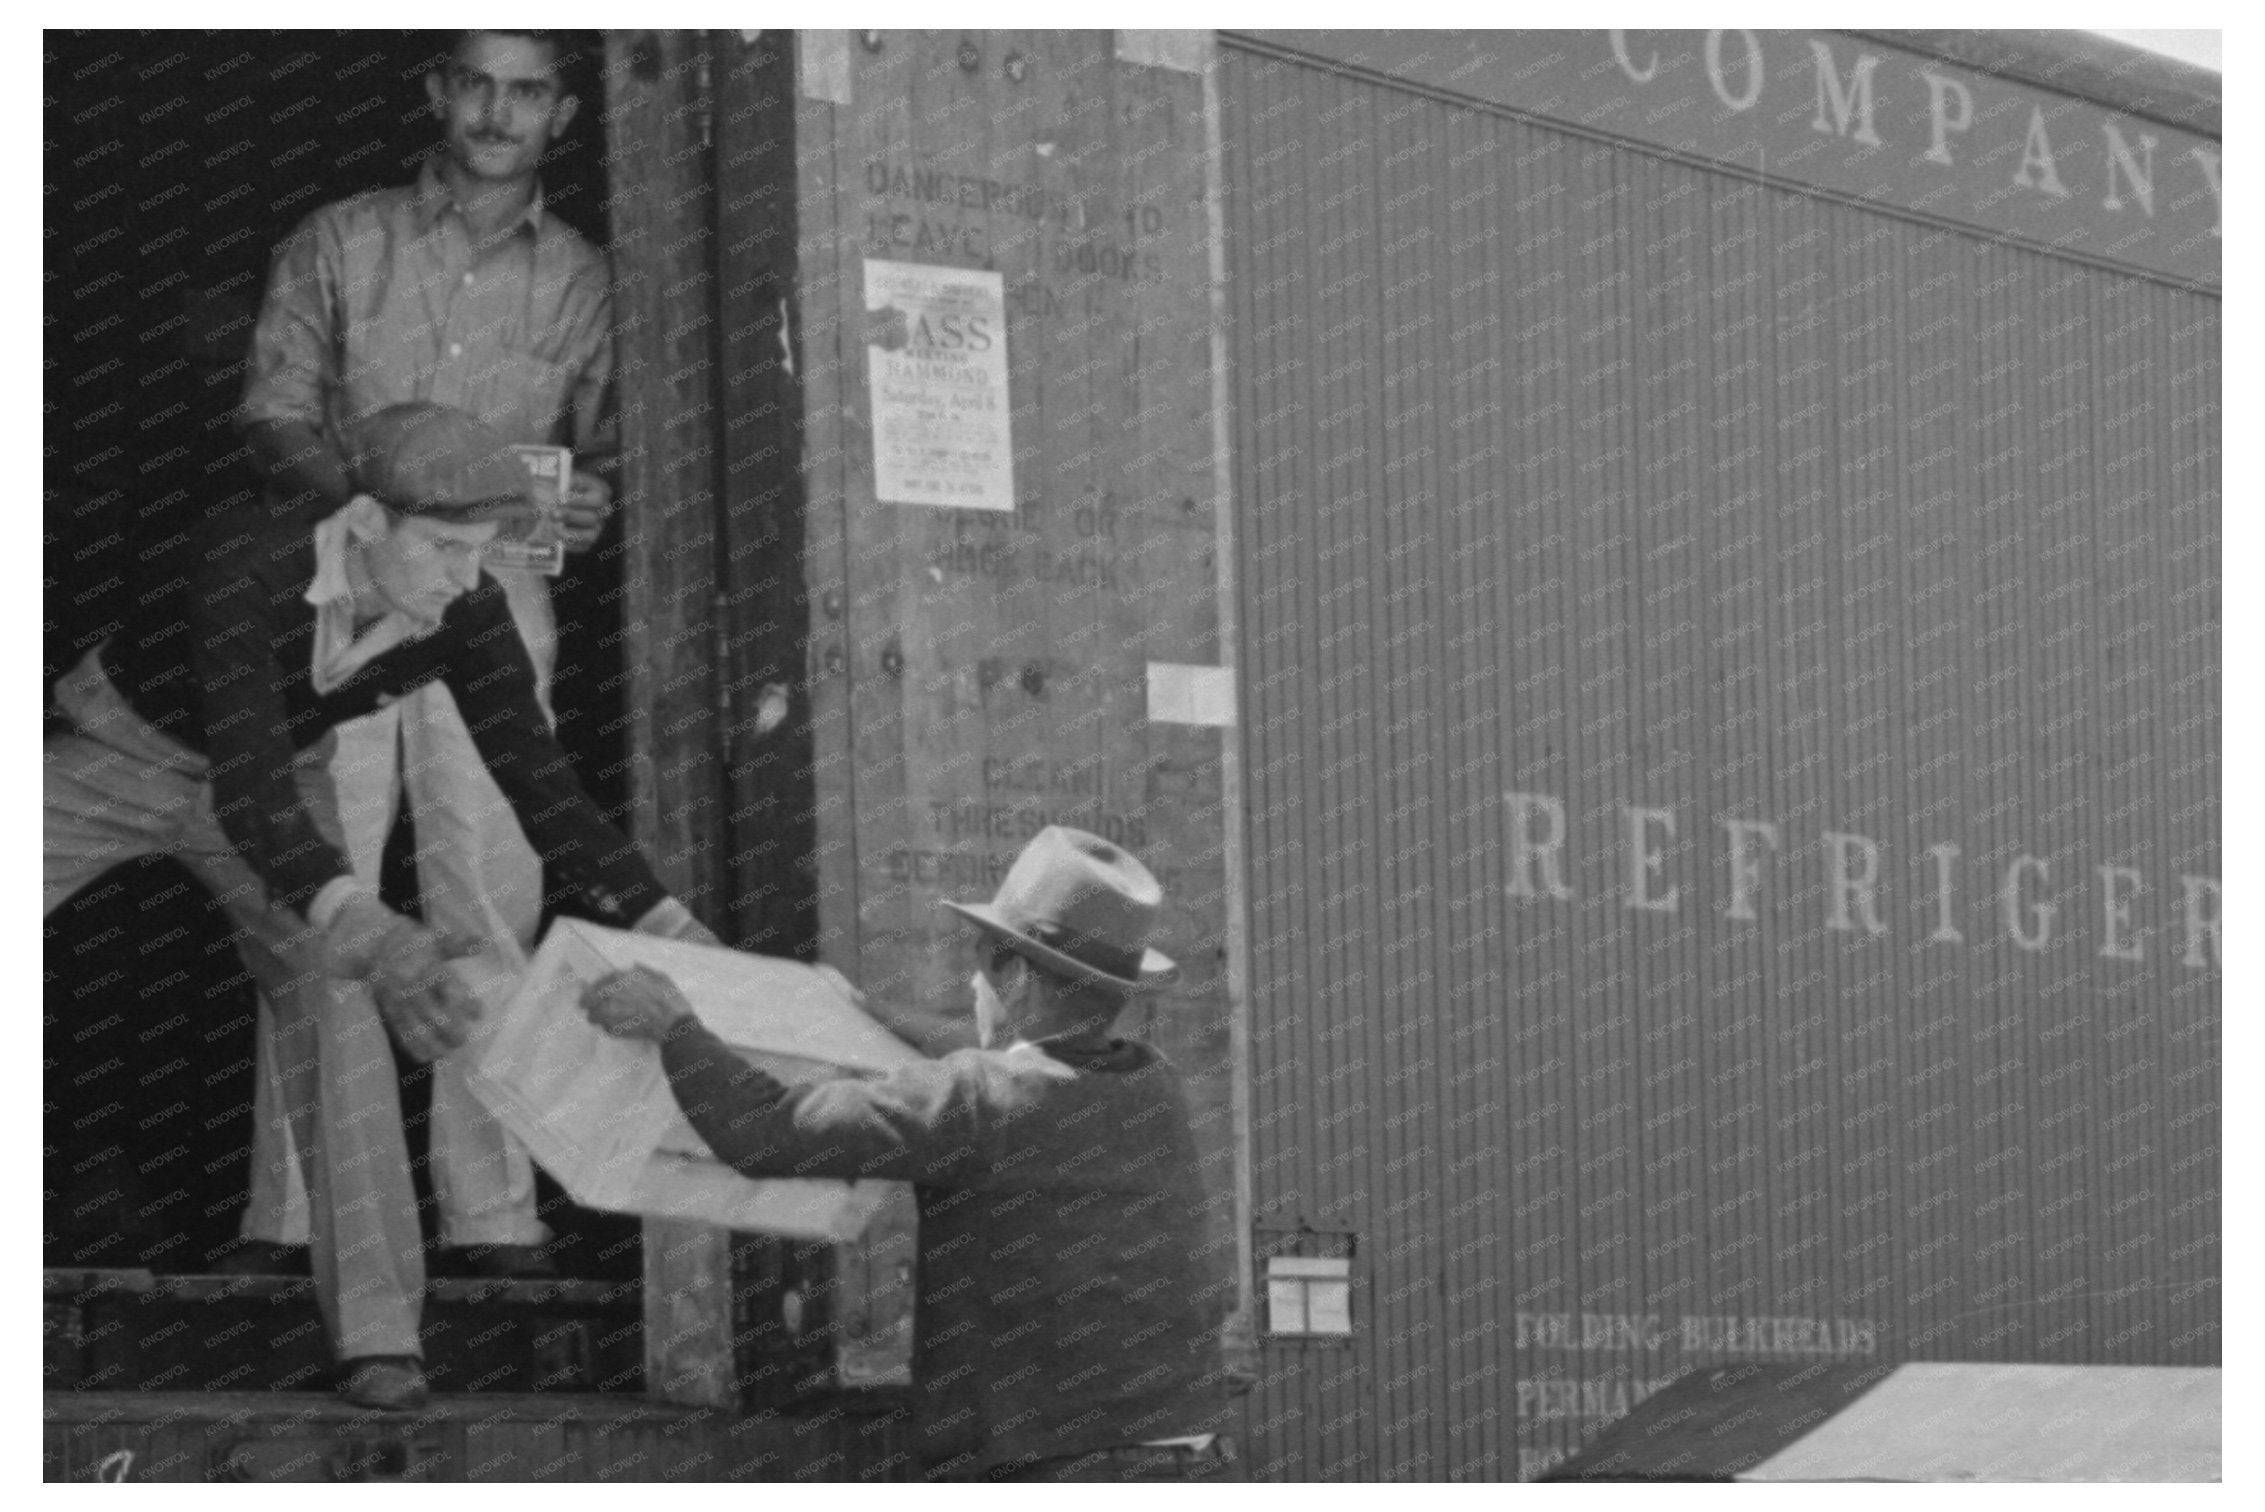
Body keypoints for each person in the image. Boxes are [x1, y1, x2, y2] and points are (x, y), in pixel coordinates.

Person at [44, 403, 714, 1411]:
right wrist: (368, 922)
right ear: (363, 523)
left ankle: (379, 1338)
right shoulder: (247, 559)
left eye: (479, 552)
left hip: (277, 796)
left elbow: (544, 788)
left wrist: (675, 929)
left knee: (343, 1003)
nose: (462, 574)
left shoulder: (467, 609)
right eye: (444, 546)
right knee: (356, 943)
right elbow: (248, 780)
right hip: (126, 756)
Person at [231, 28, 615, 1276]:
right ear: (438, 92)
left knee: (489, 899)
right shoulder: (342, 238)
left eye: (529, 90)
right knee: (321, 896)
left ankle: (491, 1212)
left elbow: (618, 448)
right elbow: (272, 409)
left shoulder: (587, 280)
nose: (500, 113)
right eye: (478, 84)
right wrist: (367, 502)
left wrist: (601, 496)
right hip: (339, 586)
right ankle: (295, 1220)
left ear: (563, 110)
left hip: (496, 597)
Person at [581, 826, 1239, 1481]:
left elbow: (762, 1131)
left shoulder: (978, 1101)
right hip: (1188, 1456)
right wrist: (872, 1012)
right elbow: (1002, 1063)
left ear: (1012, 979)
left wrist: (674, 1026)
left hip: (1062, 1468)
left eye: (980, 963)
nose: (971, 983)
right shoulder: (1152, 1085)